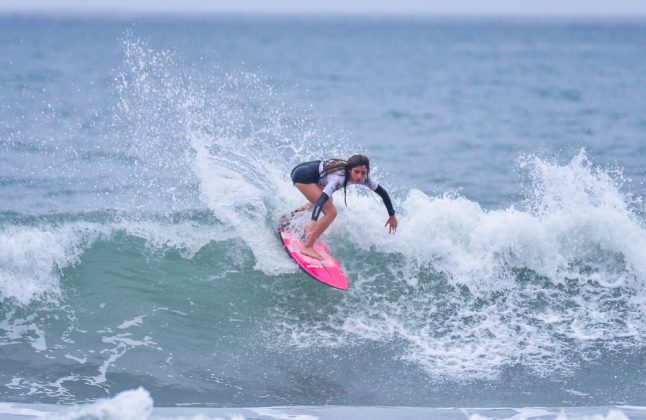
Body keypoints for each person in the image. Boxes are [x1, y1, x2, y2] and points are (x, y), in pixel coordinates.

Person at [289, 154, 398, 259]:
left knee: (328, 201)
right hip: (303, 177)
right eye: (357, 172)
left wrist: (392, 215)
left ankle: (292, 216)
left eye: (363, 173)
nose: (360, 176)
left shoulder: (364, 179)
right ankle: (307, 246)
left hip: (306, 171)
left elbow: (383, 193)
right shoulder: (337, 179)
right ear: (350, 170)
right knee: (331, 212)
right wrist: (313, 220)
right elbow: (321, 199)